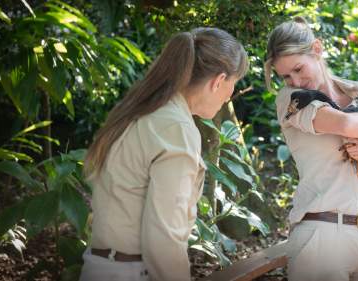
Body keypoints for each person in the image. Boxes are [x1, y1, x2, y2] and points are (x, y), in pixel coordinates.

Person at [80, 27, 248, 281]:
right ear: (218, 81)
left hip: (102, 266)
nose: (229, 97)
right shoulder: (176, 129)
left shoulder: (141, 111)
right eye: (232, 86)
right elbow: (163, 240)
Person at [264, 17, 358, 281]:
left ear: (317, 50)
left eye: (298, 69)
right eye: (286, 75)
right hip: (322, 234)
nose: (295, 80)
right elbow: (347, 124)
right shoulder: (290, 99)